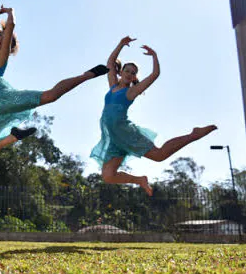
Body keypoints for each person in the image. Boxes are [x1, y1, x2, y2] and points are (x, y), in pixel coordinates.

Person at [0, 6, 109, 160]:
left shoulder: (0, 59)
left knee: (51, 96)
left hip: (3, 99)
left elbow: (11, 26)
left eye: (3, 37)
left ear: (7, 47)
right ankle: (13, 137)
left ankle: (87, 75)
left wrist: (10, 12)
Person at [90, 36, 217, 196]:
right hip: (115, 139)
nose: (130, 74)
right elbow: (110, 63)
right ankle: (140, 180)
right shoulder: (113, 86)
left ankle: (193, 134)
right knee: (108, 176)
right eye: (127, 71)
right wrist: (121, 44)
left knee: (159, 155)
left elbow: (155, 74)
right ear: (121, 72)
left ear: (135, 77)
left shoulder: (131, 92)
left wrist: (154, 56)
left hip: (126, 134)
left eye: (133, 73)